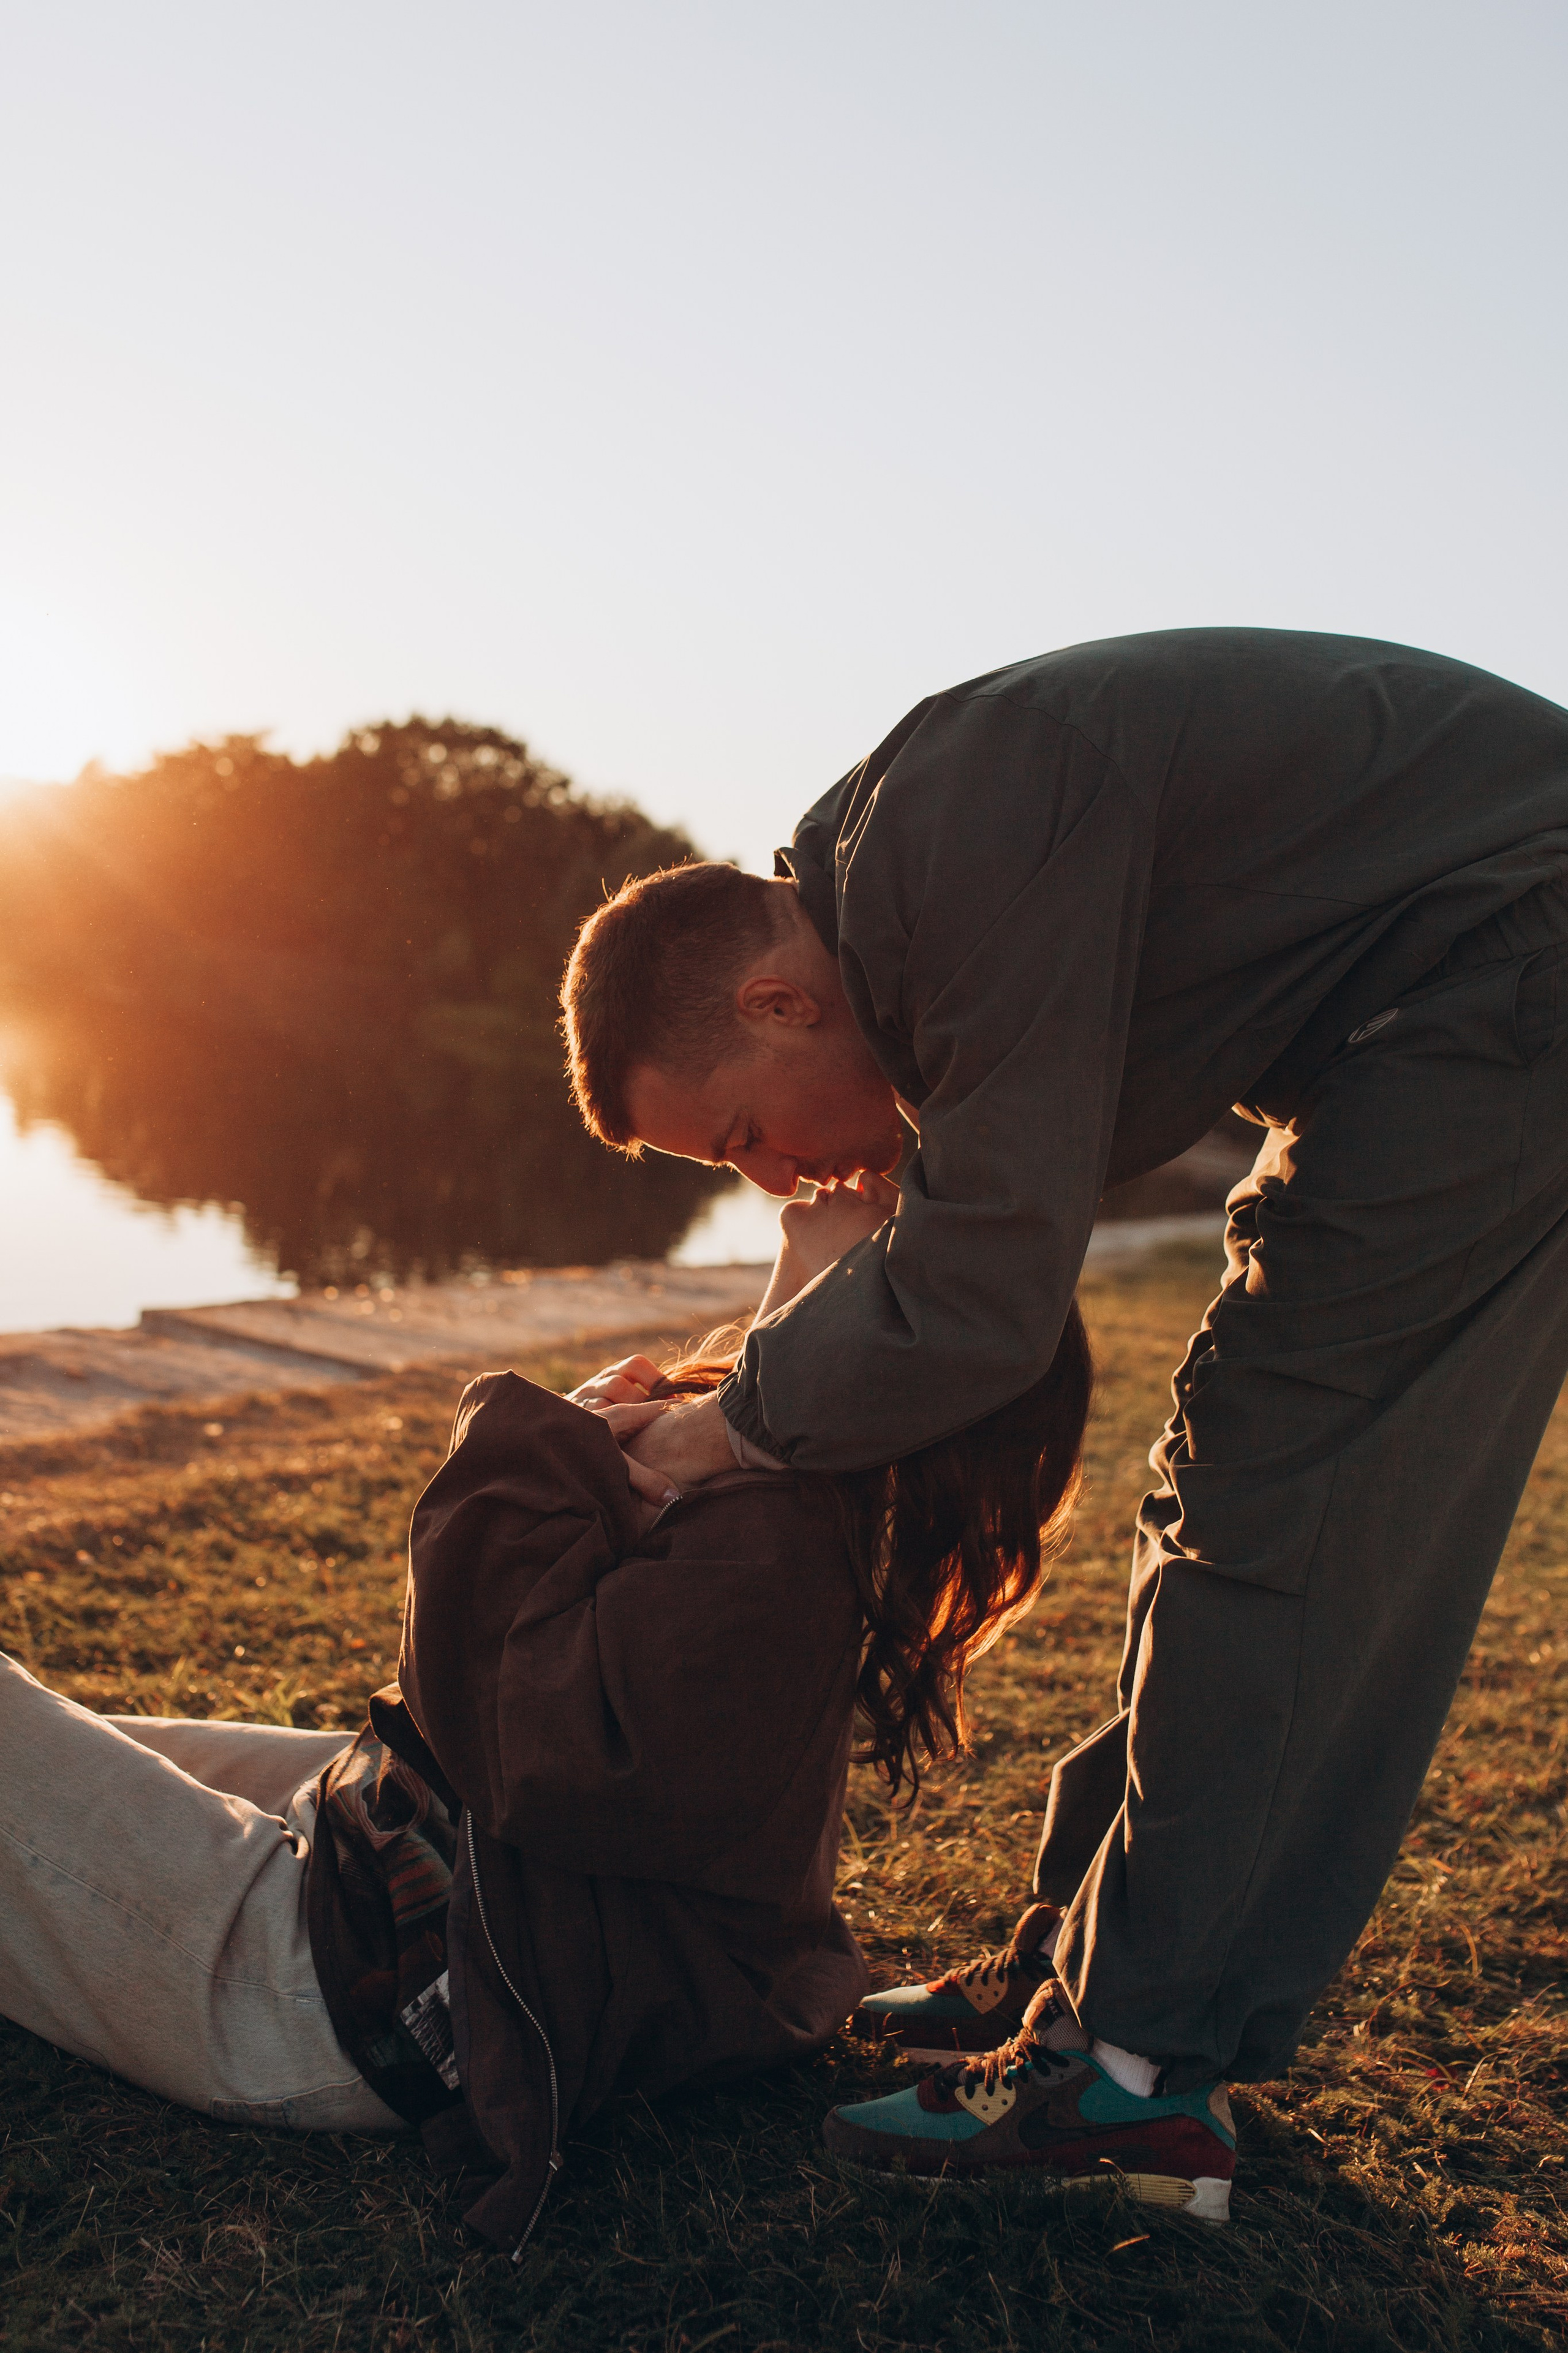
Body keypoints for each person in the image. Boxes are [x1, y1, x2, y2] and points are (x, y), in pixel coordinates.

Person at [559, 625, 1568, 2212]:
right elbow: (983, 1229)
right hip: (1454, 989)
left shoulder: (951, 848)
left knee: (1282, 1497)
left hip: (1511, 972)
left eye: (746, 1137)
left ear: (776, 996)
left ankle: (1134, 2079)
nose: (778, 1181)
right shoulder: (905, 874)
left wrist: (730, 1426)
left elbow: (983, 1296)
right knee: (1222, 1483)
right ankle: (1081, 1965)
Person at [0, 1185, 1097, 2254]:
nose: (860, 1169)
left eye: (908, 1194)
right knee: (58, 1731)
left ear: (903, 1327)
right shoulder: (760, 1465)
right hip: (391, 1853)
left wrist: (547, 1443)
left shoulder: (779, 1542)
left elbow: (497, 1719)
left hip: (336, 1984)